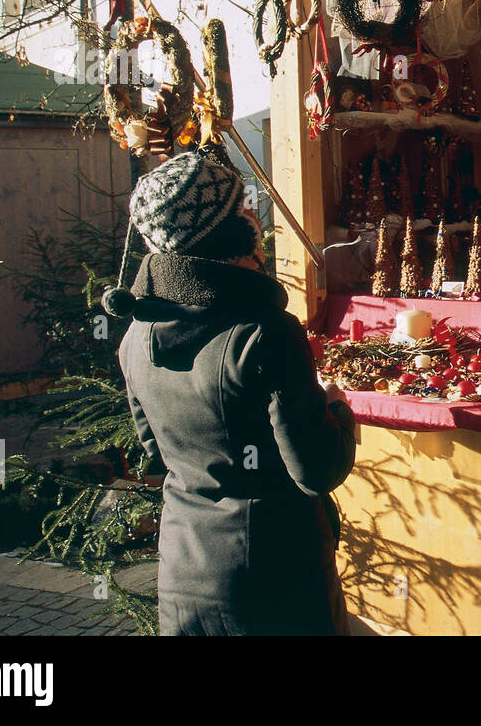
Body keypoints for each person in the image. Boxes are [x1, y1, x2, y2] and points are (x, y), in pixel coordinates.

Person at [106, 149, 357, 636]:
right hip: (278, 580)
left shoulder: (134, 338)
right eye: (242, 207)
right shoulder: (266, 331)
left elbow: (157, 456)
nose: (252, 216)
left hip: (186, 572)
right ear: (229, 230)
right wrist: (338, 408)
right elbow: (316, 469)